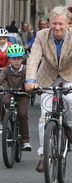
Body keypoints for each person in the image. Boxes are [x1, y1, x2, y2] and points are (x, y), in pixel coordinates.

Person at [25, 6, 72, 173]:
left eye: (61, 23)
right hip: (47, 77)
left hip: (69, 76)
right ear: (49, 23)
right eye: (54, 24)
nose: (57, 27)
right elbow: (33, 58)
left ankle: (71, 127)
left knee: (70, 100)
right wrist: (30, 80)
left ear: (68, 23)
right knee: (44, 117)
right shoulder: (41, 35)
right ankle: (43, 155)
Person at [0, 44, 32, 151]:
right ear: (9, 60)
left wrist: (32, 86)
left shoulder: (26, 70)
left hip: (23, 94)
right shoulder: (6, 70)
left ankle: (25, 141)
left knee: (23, 114)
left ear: (22, 59)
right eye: (14, 59)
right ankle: (3, 123)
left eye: (19, 58)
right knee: (3, 101)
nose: (16, 61)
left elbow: (31, 80)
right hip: (10, 92)